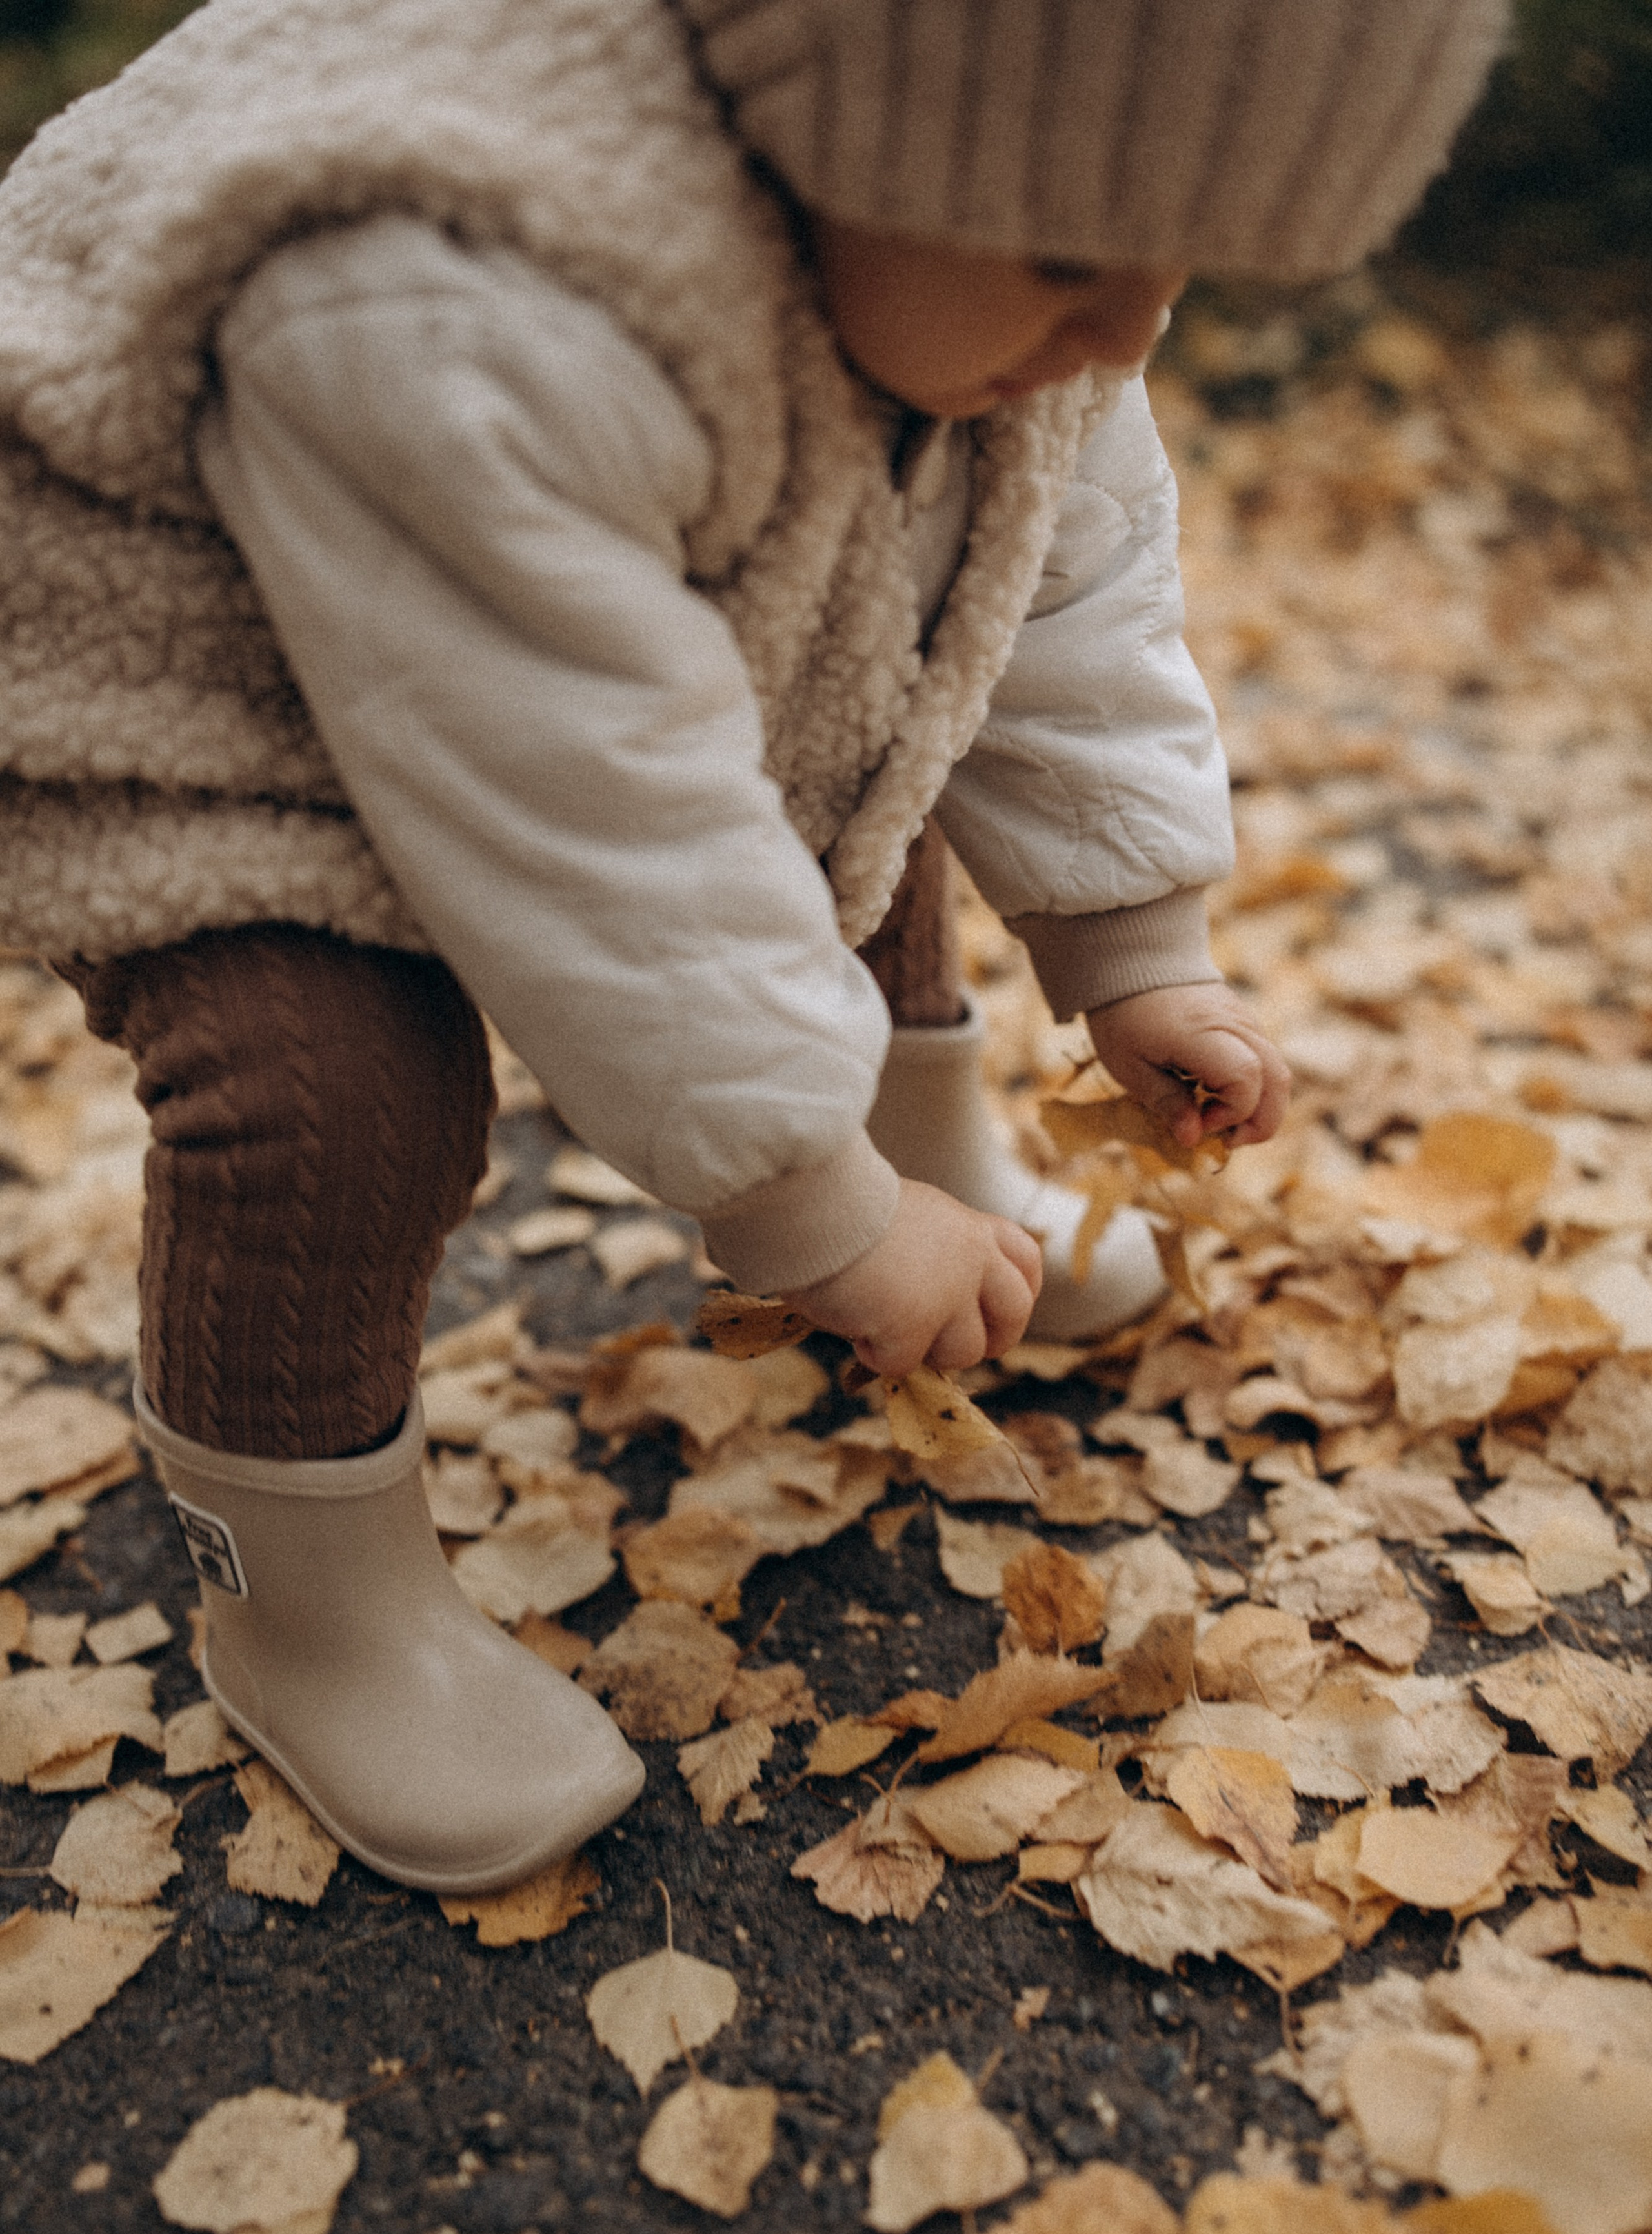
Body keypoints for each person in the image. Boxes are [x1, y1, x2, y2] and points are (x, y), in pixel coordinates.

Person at [0, 0, 1507, 1890]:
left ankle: (920, 1137)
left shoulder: (1007, 264)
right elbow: (603, 822)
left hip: (511, 604)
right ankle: (307, 1602)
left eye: (1174, 267)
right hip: (178, 672)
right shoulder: (459, 295)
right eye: (1067, 265)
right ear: (857, 139)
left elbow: (1048, 580)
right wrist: (815, 1212)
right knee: (334, 1087)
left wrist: (1139, 945)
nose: (1125, 329)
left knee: (862, 694)